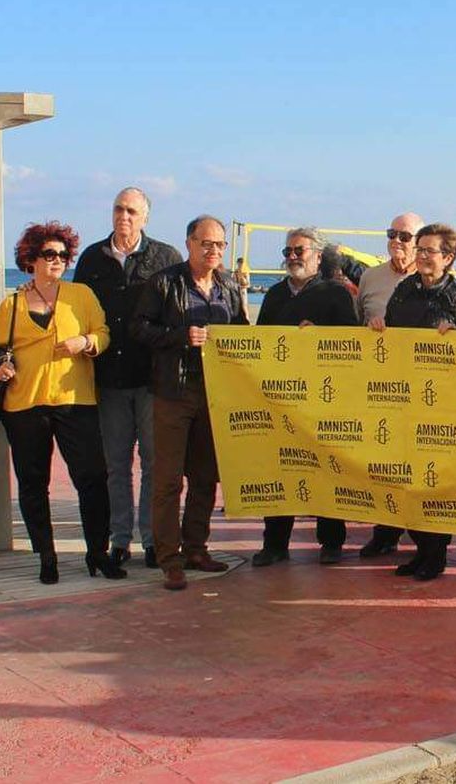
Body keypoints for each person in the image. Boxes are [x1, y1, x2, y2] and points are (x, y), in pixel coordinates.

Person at [0, 222, 125, 585]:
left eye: (64, 255)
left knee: (92, 478)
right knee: (33, 483)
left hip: (74, 400)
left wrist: (87, 343)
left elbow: (104, 333)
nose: (58, 261)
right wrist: (1, 366)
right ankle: (46, 557)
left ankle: (98, 552)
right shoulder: (12, 303)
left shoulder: (81, 295)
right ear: (31, 258)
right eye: (50, 255)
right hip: (24, 403)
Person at [131, 214, 250, 591]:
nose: (213, 250)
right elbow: (138, 329)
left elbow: (243, 331)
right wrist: (182, 336)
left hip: (214, 395)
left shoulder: (229, 285)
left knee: (205, 478)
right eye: (206, 243)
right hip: (172, 392)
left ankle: (196, 547)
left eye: (219, 245)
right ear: (189, 243)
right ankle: (169, 558)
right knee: (167, 480)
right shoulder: (165, 282)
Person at [73, 186, 182, 570]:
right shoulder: (92, 258)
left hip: (153, 379)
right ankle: (120, 540)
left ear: (145, 217)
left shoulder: (166, 258)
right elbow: (75, 308)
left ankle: (152, 539)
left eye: (132, 211)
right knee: (115, 466)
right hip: (110, 378)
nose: (124, 216)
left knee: (155, 464)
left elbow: (178, 312)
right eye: (119, 209)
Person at [367, 223, 456, 581]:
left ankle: (436, 554)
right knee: (408, 479)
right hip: (404, 398)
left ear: (448, 258)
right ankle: (420, 549)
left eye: (429, 251)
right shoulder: (405, 288)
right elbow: (394, 326)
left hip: (440, 403)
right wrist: (380, 325)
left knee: (435, 481)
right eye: (420, 249)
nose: (421, 256)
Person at [253, 228, 349, 567]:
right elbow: (259, 342)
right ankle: (275, 543)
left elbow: (353, 346)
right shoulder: (276, 294)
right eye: (288, 250)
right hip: (282, 400)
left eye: (300, 250)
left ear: (318, 256)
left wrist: (320, 337)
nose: (293, 256)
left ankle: (332, 542)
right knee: (281, 470)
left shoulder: (337, 294)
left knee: (327, 470)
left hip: (324, 401)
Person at [357, 212, 423, 325]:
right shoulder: (369, 276)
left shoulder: (430, 279)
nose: (396, 240)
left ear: (419, 242)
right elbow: (358, 322)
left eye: (404, 236)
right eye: (392, 234)